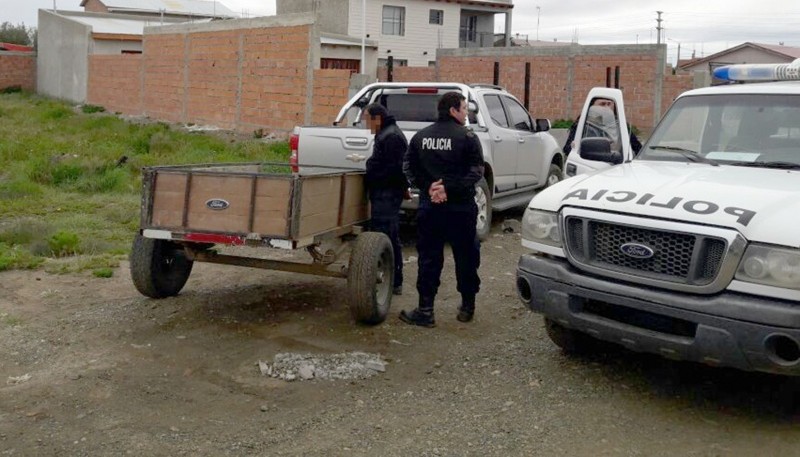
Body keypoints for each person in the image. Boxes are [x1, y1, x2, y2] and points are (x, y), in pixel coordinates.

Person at [400, 92, 484, 327]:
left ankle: (426, 310)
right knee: (466, 255)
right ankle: (467, 307)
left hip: (431, 207)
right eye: (464, 109)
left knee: (429, 257)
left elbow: (408, 169)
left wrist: (430, 187)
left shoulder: (420, 137)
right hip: (461, 208)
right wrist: (449, 187)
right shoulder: (468, 137)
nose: (466, 113)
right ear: (453, 111)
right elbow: (477, 172)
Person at [363, 103, 408, 296]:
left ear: (377, 119)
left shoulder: (392, 137)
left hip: (387, 194)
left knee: (387, 235)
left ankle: (394, 279)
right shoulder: (386, 134)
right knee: (385, 234)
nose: (366, 124)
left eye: (368, 119)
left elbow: (394, 169)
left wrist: (371, 170)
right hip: (384, 193)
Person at [562, 98, 642, 155]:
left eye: (609, 104)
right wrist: (576, 147)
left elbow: (638, 148)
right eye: (602, 104)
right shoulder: (583, 124)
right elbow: (567, 149)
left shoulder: (620, 126)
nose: (606, 108)